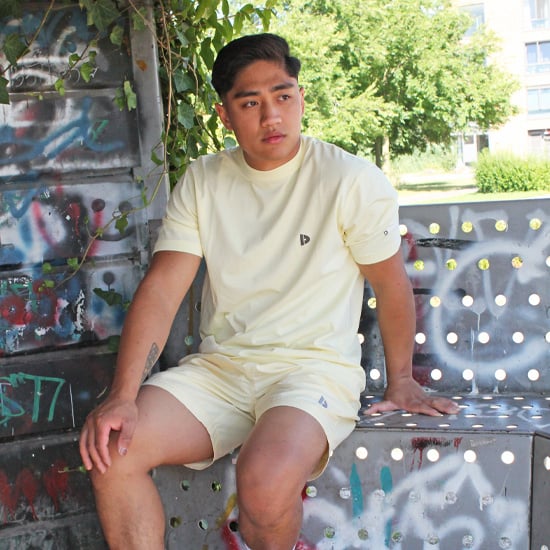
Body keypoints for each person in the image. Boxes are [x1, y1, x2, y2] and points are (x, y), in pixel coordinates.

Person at [79, 33, 460, 550]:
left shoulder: (349, 179)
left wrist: (402, 381)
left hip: (312, 372)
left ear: (301, 97)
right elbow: (163, 289)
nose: (271, 116)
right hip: (222, 372)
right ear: (224, 115)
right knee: (113, 450)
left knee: (263, 479)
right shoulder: (205, 180)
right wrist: (123, 396)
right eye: (250, 103)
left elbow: (390, 285)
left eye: (283, 96)